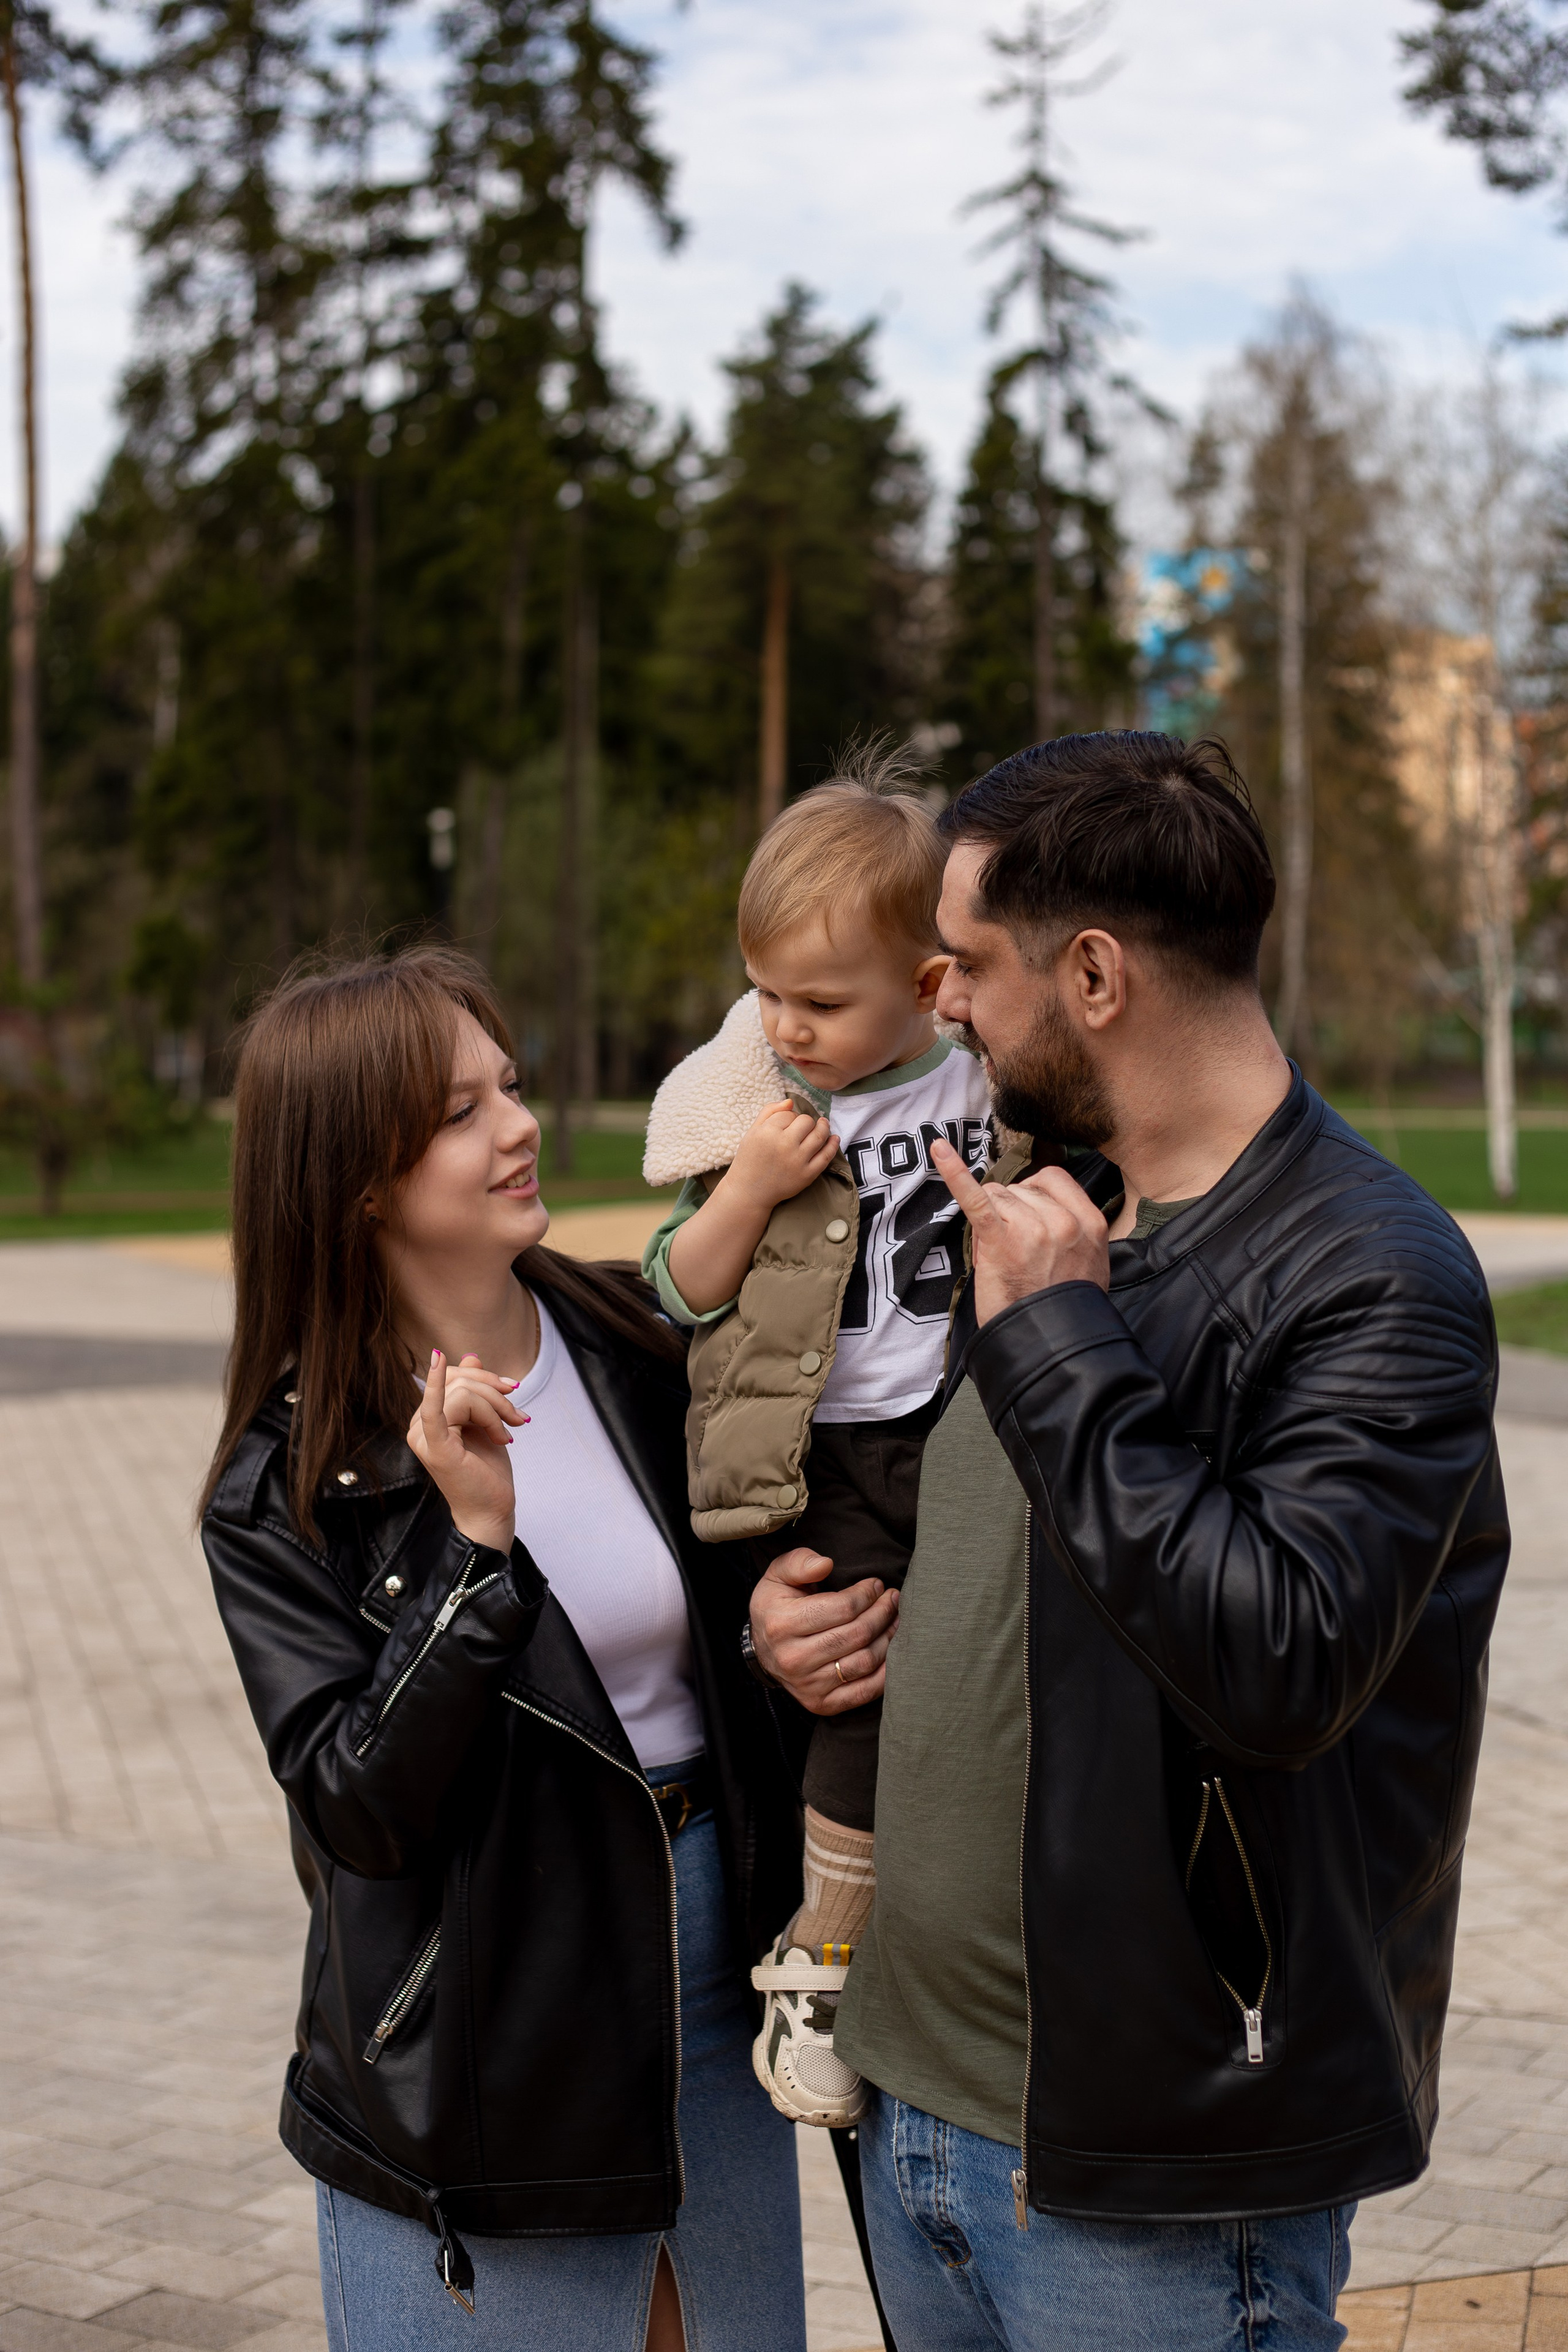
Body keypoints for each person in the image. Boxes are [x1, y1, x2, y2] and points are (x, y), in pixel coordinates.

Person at [748, 731, 1509, 2351]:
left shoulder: (1373, 1276)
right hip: (911, 2110)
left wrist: (1069, 1345)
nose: (934, 997)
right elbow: (980, 1559)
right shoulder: (1053, 1205)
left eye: (964, 962)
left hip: (1149, 2172)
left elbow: (1277, 1661)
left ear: (1091, 973)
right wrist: (798, 1614)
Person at [198, 948, 807, 2352]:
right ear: (358, 1179)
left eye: (511, 1086)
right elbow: (358, 1807)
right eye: (462, 1111)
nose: (520, 1125)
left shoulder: (632, 1338)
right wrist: (469, 1555)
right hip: (488, 2012)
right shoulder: (288, 1484)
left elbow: (739, 1600)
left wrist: (789, 1636)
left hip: (715, 1966)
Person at [639, 761, 993, 2129]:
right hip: (823, 1451)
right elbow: (680, 1288)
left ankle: (923, 1941)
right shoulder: (762, 1114)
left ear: (924, 986)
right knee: (853, 1670)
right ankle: (823, 1958)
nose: (782, 1025)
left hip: (957, 1426)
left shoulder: (975, 1083)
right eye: (764, 991)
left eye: (820, 1002)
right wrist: (747, 1187)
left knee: (960, 1666)